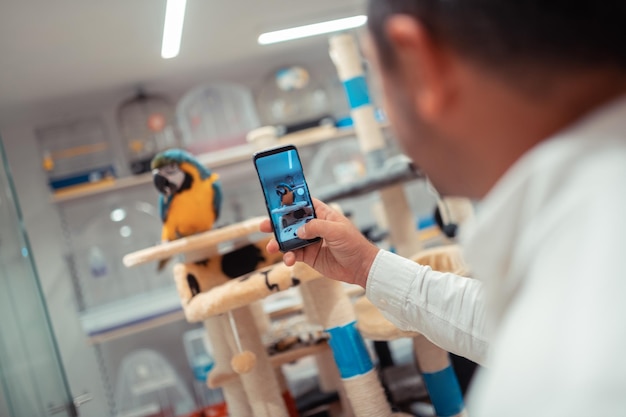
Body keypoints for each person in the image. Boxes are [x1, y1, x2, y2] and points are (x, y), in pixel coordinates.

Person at [262, 0, 626, 415]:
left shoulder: (564, 385)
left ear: (418, 64)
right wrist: (366, 266)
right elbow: (502, 325)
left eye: (374, 76)